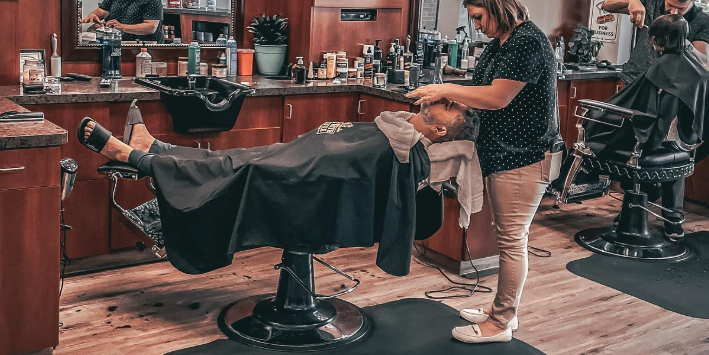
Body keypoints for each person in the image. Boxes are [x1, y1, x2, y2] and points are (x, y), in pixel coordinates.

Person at [77, 100, 480, 277]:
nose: (441, 98)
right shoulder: (399, 127)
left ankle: (136, 157)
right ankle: (155, 149)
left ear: (440, 129)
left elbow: (354, 175)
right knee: (238, 157)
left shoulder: (407, 150)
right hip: (299, 160)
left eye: (449, 104)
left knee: (240, 168)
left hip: (305, 184)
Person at [408, 0, 561, 345]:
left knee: (511, 241)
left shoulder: (527, 42)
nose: (476, 25)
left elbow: (497, 97)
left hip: (524, 157)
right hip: (504, 153)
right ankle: (503, 310)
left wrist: (445, 90)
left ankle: (500, 322)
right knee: (509, 237)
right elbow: (480, 93)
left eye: (478, 17)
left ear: (496, 6)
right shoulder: (501, 43)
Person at [581, 14, 709, 240]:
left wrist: (597, 113)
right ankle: (674, 222)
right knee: (673, 158)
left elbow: (635, 107)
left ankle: (632, 213)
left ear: (656, 40)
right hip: (686, 143)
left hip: (653, 141)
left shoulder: (661, 69)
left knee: (605, 133)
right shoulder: (701, 72)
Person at [602, 0, 709, 85]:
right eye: (670, 5)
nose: (673, 12)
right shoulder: (652, 1)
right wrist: (632, 1)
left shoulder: (703, 21)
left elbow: (702, 60)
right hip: (633, 80)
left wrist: (685, 44)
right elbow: (607, 5)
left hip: (671, 89)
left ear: (693, 1)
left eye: (681, 9)